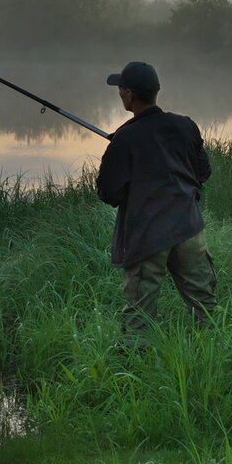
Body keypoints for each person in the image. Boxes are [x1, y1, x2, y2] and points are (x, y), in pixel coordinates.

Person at [96, 61, 216, 350]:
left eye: (120, 89)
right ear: (155, 92)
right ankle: (210, 355)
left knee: (139, 314)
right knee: (205, 305)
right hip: (188, 228)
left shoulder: (124, 138)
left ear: (128, 94)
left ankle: (136, 375)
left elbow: (108, 192)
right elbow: (203, 172)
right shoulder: (185, 125)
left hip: (148, 236)